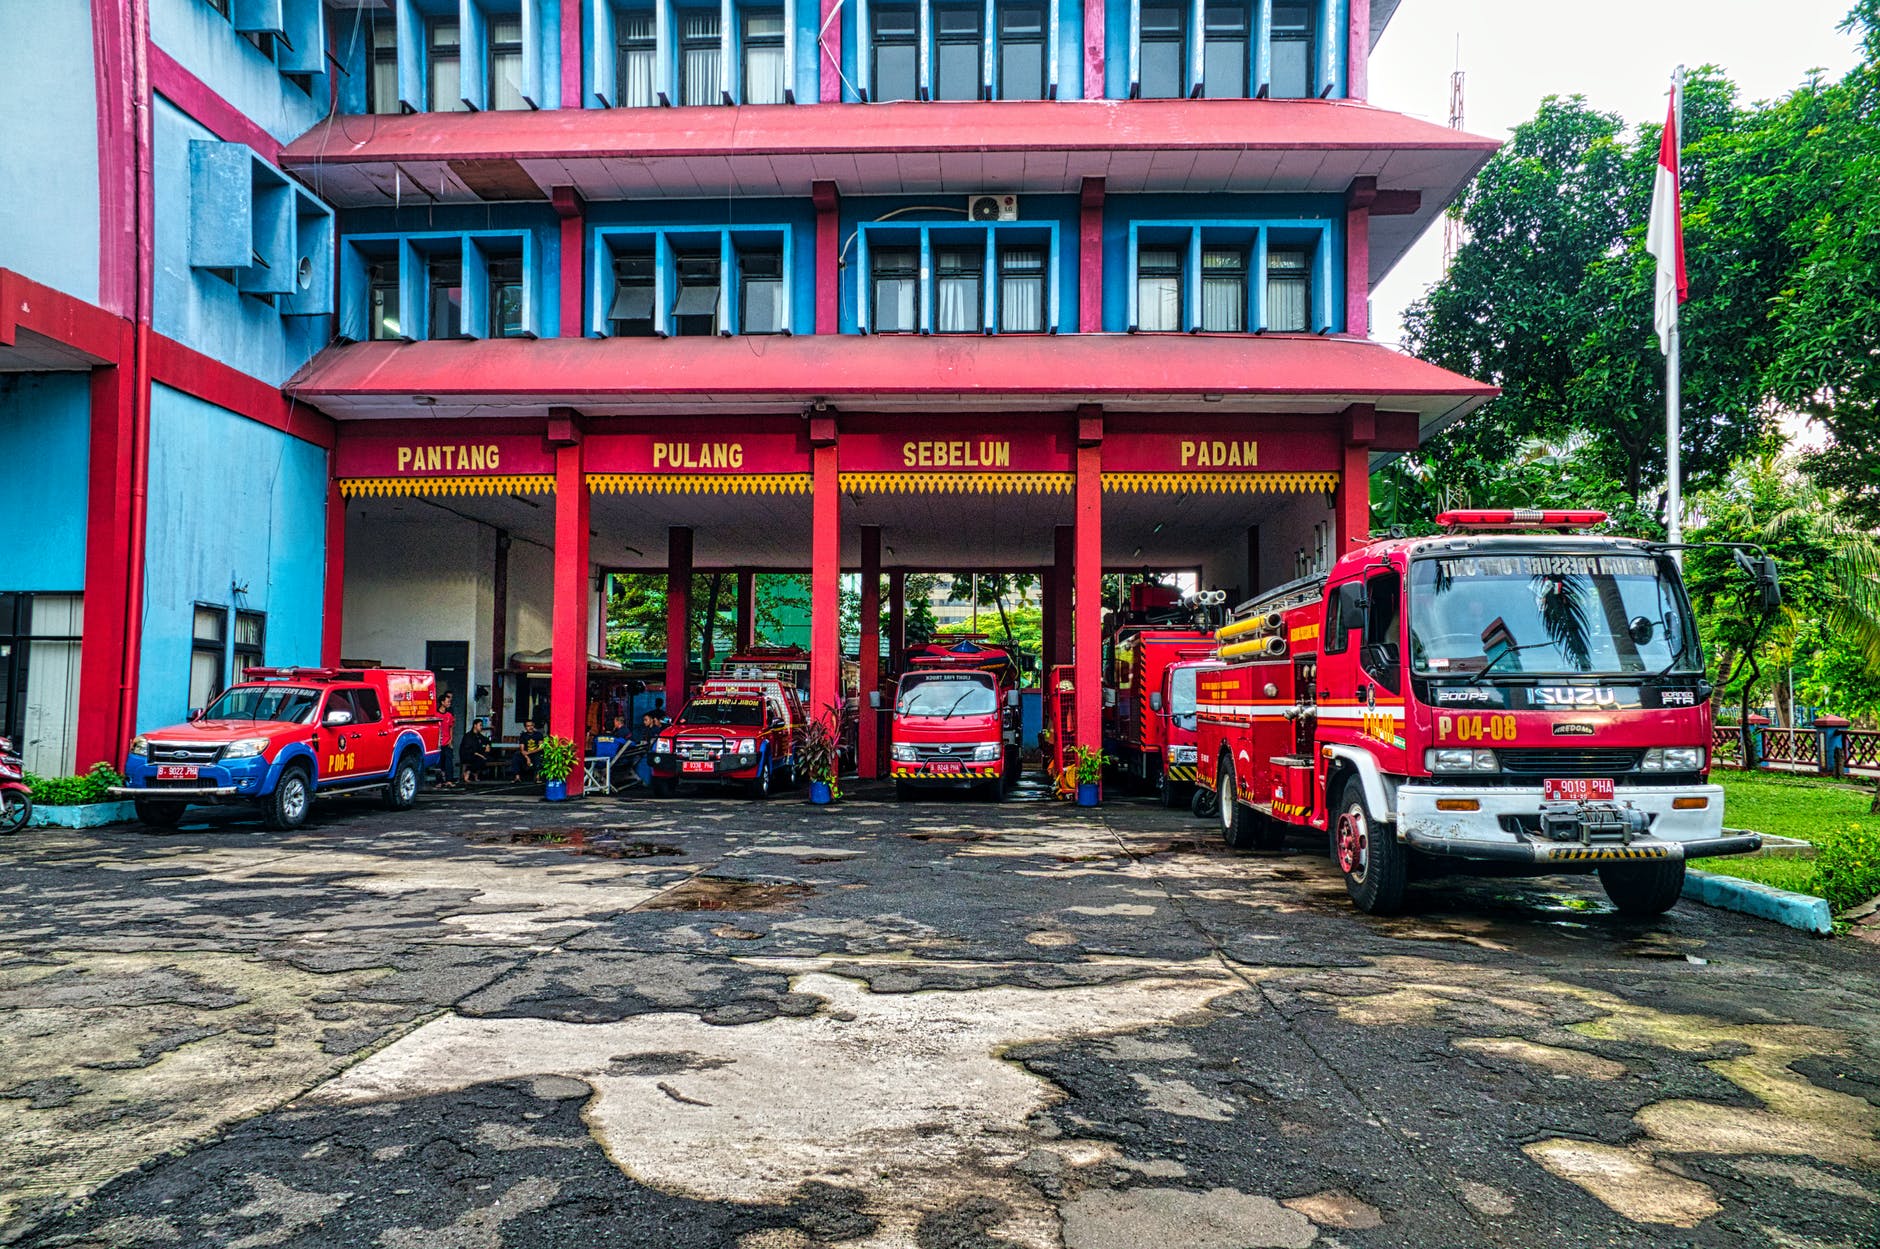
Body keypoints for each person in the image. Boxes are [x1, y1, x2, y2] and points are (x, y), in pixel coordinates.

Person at [459, 718, 493, 783]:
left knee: (488, 758)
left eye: (481, 725)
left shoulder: (479, 736)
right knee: (480, 759)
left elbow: (487, 740)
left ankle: (474, 773)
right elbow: (468, 749)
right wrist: (480, 755)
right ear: (475, 725)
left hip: (477, 755)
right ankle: (468, 772)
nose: (481, 727)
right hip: (468, 755)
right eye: (480, 725)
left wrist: (488, 745)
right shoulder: (468, 736)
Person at [436, 691, 457, 788]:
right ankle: (439, 781)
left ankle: (449, 780)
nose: (449, 703)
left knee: (449, 761)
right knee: (439, 763)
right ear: (442, 702)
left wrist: (451, 739)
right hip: (438, 743)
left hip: (447, 741)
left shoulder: (449, 715)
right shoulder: (435, 715)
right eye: (447, 701)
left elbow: (451, 727)